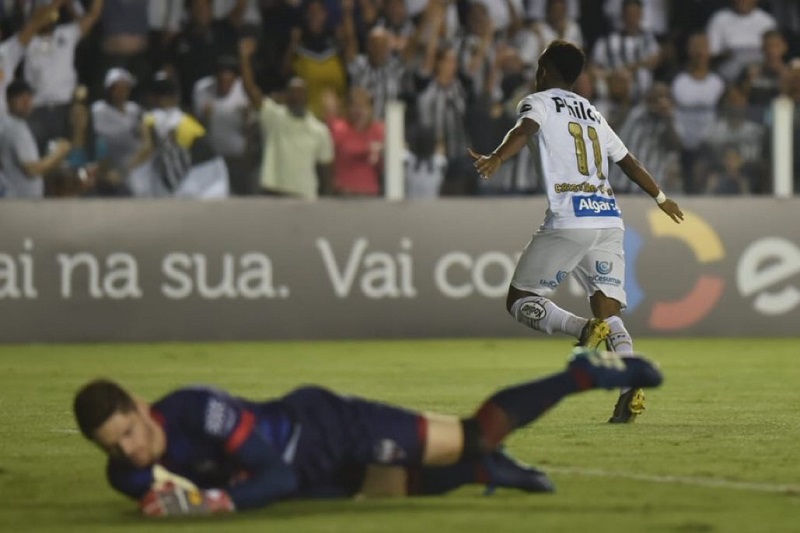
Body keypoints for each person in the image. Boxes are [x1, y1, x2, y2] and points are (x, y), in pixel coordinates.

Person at [73, 347, 663, 517]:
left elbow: (271, 474)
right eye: (114, 446)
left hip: (323, 429)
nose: (130, 450)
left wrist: (212, 503)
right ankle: (483, 474)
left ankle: (577, 377)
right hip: (305, 482)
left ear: (139, 405)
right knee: (398, 489)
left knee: (473, 433)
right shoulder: (125, 473)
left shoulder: (195, 410)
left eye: (127, 431)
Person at [468, 40, 683, 423]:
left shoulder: (539, 102)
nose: (536, 73)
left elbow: (525, 129)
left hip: (570, 218)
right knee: (611, 311)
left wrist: (497, 157)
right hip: (607, 218)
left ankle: (584, 329)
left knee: (520, 300)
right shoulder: (592, 112)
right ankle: (629, 386)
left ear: (547, 70)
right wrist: (661, 197)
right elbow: (628, 161)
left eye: (539, 67)